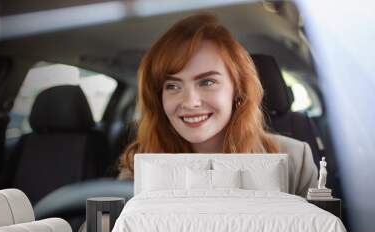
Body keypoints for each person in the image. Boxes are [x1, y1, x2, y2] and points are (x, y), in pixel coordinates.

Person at [117, 13, 317, 197]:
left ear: (237, 89)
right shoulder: (138, 167)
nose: (190, 102)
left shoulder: (295, 160)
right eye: (173, 86)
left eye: (207, 82)